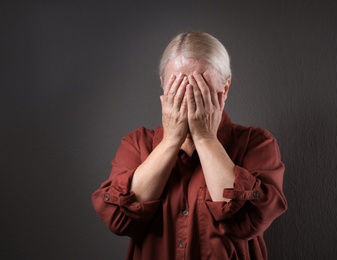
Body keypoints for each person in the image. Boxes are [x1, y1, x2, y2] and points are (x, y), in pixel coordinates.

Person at [92, 32, 287, 260]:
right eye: (178, 86)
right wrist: (171, 140)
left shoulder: (256, 144)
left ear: (224, 89)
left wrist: (205, 138)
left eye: (199, 86)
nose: (188, 97)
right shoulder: (137, 144)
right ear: (164, 87)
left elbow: (249, 222)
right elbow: (118, 220)